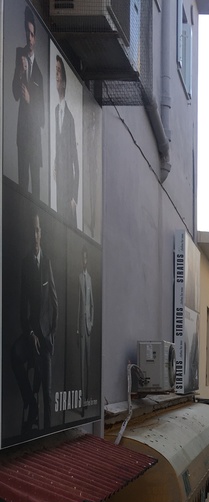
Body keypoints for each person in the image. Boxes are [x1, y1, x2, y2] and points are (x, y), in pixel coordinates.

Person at [11, 212, 58, 432]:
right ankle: (31, 403)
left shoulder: (47, 262)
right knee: (14, 354)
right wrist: (30, 334)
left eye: (37, 230)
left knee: (47, 394)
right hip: (31, 335)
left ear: (41, 233)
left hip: (45, 339)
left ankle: (48, 435)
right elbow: (23, 307)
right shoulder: (25, 263)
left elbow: (55, 303)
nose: (35, 235)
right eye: (32, 231)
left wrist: (50, 335)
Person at [12, 6, 45, 198]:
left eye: (32, 35)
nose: (29, 39)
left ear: (36, 37)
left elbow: (42, 119)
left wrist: (30, 100)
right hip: (22, 135)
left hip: (35, 140)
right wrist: (20, 72)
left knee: (36, 189)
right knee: (22, 185)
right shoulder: (19, 56)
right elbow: (15, 94)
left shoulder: (39, 75)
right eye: (27, 33)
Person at [54, 55, 79, 227]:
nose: (56, 76)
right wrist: (55, 163)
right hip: (59, 186)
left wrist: (74, 198)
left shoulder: (70, 119)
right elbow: (58, 144)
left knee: (69, 229)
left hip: (68, 190)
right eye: (55, 72)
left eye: (58, 72)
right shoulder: (56, 111)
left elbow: (76, 163)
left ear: (64, 81)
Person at [77, 247, 93, 412]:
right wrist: (77, 329)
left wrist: (91, 323)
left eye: (85, 258)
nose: (84, 261)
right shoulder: (79, 278)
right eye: (82, 258)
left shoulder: (89, 279)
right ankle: (82, 403)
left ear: (87, 260)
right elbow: (78, 305)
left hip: (88, 328)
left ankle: (87, 399)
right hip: (81, 329)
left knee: (88, 366)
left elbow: (92, 304)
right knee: (82, 367)